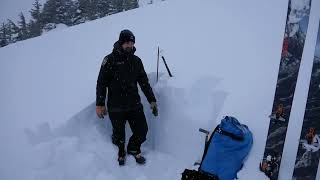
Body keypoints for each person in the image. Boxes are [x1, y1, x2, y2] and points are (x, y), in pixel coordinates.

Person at [96, 29, 158, 166]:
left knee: (142, 130)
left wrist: (152, 100)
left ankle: (133, 148)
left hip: (134, 104)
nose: (130, 45)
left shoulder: (136, 61)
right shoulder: (109, 60)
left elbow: (144, 82)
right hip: (116, 106)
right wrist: (100, 104)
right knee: (119, 134)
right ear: (120, 43)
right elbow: (101, 83)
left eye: (132, 42)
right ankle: (120, 151)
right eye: (127, 43)